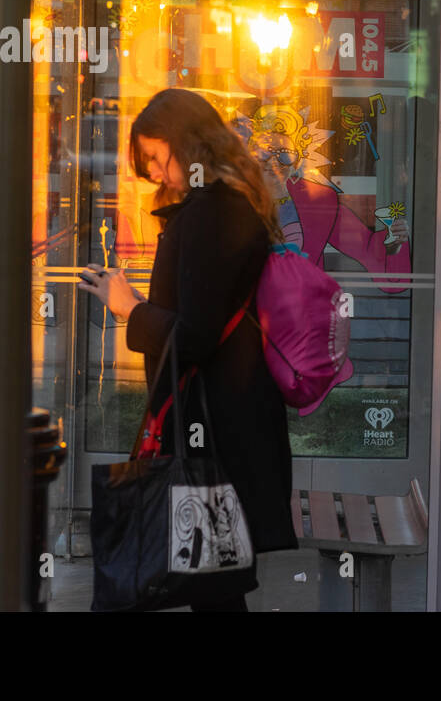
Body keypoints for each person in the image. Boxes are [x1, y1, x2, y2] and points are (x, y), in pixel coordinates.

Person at [77, 88, 295, 611]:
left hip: (214, 427)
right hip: (227, 419)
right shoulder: (228, 203)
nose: (153, 172)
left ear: (190, 144)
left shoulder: (212, 213)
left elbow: (195, 335)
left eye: (156, 156)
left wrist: (129, 308)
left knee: (214, 583)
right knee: (214, 581)